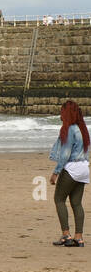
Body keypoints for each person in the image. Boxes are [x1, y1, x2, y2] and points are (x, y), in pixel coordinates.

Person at [49, 99, 89, 248]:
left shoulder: (70, 129)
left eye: (62, 111)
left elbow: (65, 154)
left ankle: (66, 235)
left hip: (72, 168)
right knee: (76, 203)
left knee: (59, 199)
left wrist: (56, 172)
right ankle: (79, 238)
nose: (60, 113)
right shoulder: (82, 129)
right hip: (84, 168)